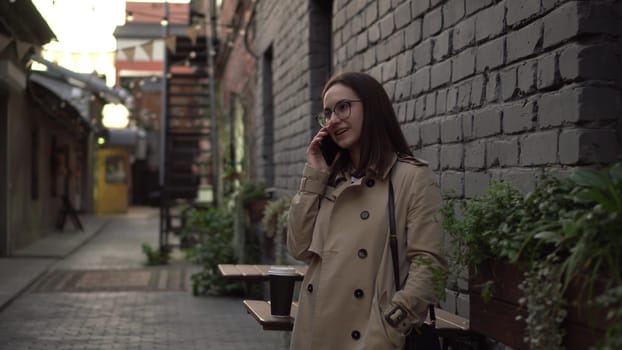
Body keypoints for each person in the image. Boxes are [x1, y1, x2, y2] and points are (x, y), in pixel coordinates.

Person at [287, 71, 446, 349]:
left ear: (371, 107)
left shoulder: (410, 177)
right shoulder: (329, 178)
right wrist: (314, 174)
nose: (334, 119)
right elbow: (299, 247)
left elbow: (429, 263)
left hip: (371, 337)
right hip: (314, 334)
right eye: (327, 112)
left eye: (343, 107)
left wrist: (392, 323)